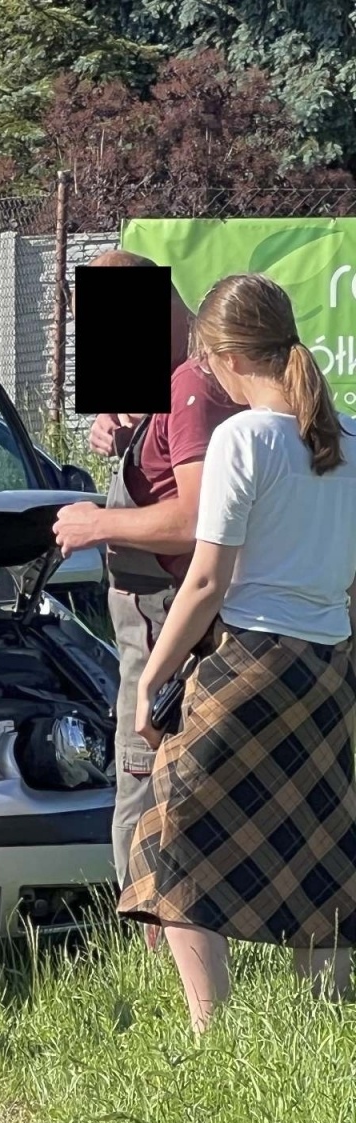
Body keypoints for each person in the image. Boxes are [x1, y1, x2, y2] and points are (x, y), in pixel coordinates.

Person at [119, 273, 356, 1031]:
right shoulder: (350, 436)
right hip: (330, 669)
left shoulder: (242, 438)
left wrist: (151, 681)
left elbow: (206, 581)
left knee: (168, 838)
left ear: (220, 356)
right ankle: (324, 1023)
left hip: (250, 661)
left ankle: (210, 1030)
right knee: (324, 841)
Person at [53, 250, 241, 896]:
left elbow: (194, 518)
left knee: (145, 783)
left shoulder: (192, 389)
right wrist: (116, 428)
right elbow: (159, 460)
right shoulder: (174, 383)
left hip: (168, 614)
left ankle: (153, 945)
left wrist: (95, 525)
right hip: (151, 613)